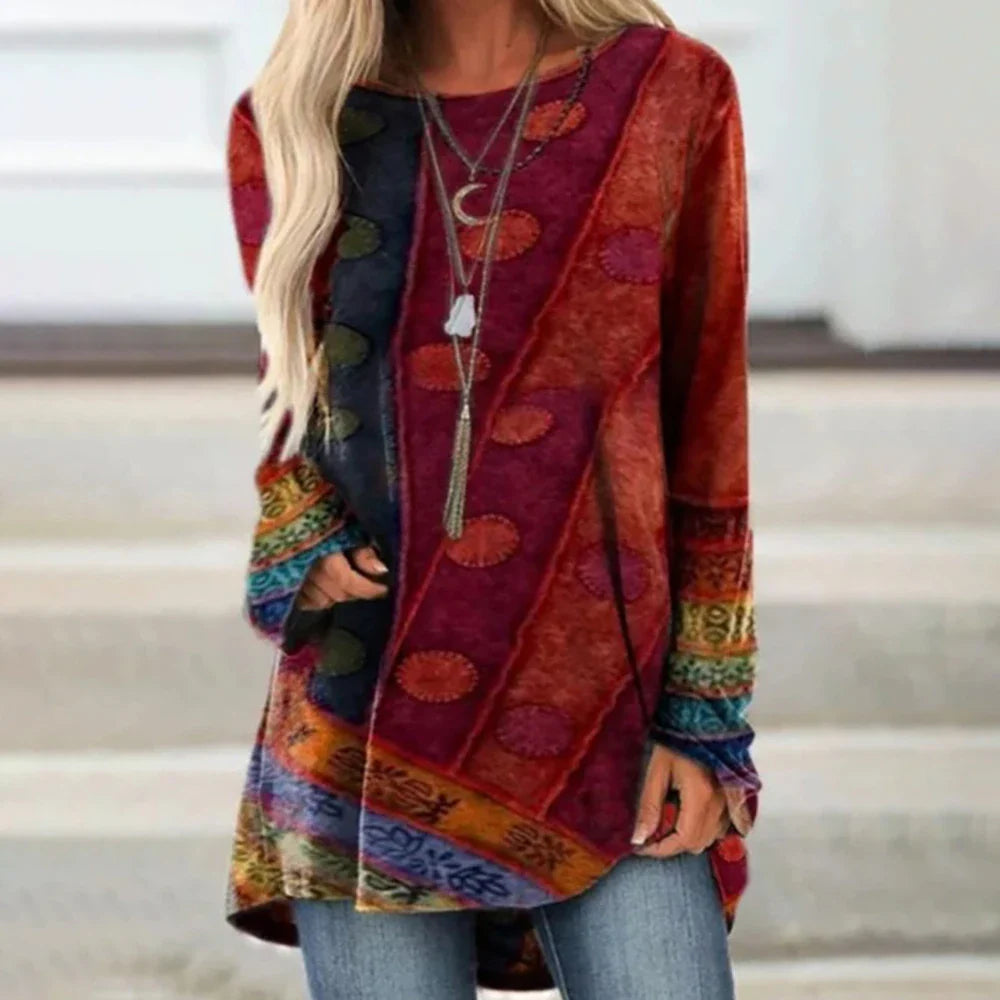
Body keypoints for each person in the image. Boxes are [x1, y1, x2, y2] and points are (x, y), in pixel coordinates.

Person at [223, 1, 761, 997]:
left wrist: (704, 715)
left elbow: (707, 421)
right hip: (363, 718)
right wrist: (303, 538)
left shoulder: (669, 90)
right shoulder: (296, 115)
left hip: (603, 704)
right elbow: (292, 403)